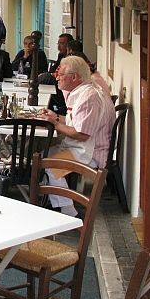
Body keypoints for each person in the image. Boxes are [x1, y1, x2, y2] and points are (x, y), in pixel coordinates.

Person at [37, 56, 115, 217]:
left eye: (61, 74)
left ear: (74, 77)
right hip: (87, 146)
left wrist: (56, 125)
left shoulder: (89, 97)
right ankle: (53, 199)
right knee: (45, 152)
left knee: (50, 165)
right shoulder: (85, 91)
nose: (57, 77)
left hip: (92, 152)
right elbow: (78, 122)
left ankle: (67, 211)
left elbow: (82, 134)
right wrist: (56, 117)